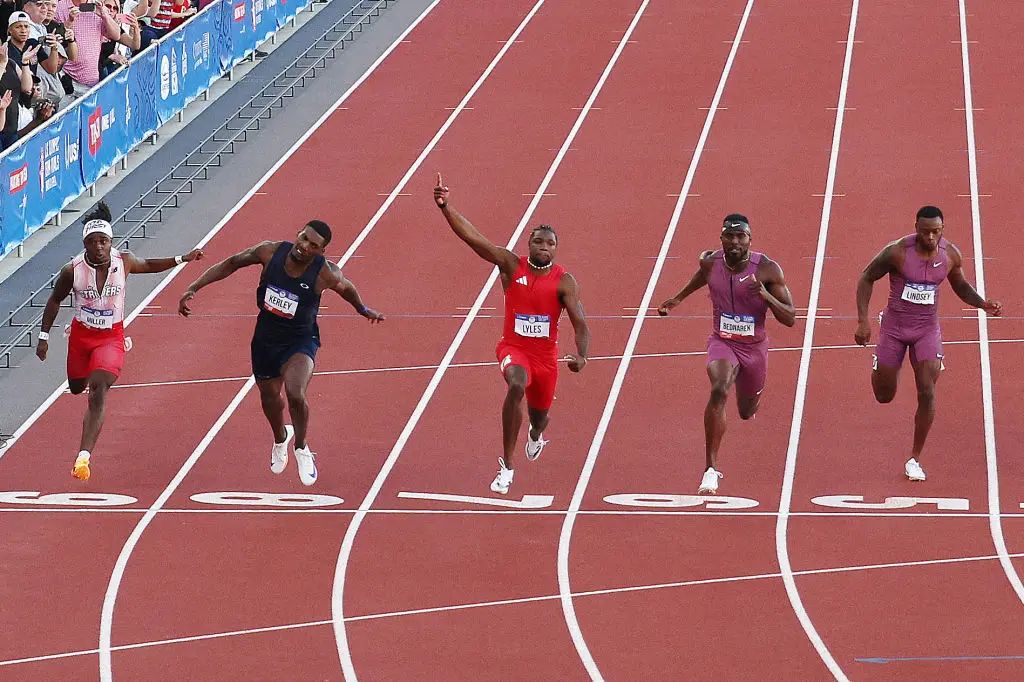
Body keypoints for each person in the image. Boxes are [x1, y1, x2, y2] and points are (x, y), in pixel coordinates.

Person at [178, 221, 384, 486]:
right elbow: (231, 263)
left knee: (296, 393)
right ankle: (280, 438)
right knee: (269, 398)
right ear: (298, 233)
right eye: (303, 238)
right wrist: (194, 286)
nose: (304, 246)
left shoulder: (326, 274)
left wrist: (363, 309)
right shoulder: (269, 252)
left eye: (313, 245)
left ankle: (301, 446)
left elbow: (347, 289)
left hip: (300, 340)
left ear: (321, 252)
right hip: (266, 339)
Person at [434, 173, 590, 494]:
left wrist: (582, 354)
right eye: (538, 241)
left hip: (545, 359)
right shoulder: (509, 264)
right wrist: (446, 208)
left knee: (540, 416)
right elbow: (475, 239)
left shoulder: (564, 281)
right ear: (528, 244)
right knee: (516, 384)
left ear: (557, 249)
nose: (544, 247)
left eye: (550, 243)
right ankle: (507, 465)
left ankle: (535, 433)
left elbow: (580, 321)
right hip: (513, 349)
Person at [36, 201, 204, 480]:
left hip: (111, 336)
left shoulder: (123, 261)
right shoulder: (72, 271)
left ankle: (83, 457)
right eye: (94, 242)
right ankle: (84, 379)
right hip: (81, 335)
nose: (100, 246)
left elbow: (149, 264)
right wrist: (43, 337)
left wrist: (181, 259)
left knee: (99, 389)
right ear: (85, 245)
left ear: (111, 242)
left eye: (104, 241)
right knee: (77, 387)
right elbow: (54, 300)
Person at [855, 205, 1002, 481]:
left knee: (927, 389)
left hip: (926, 329)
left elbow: (959, 285)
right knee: (884, 395)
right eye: (925, 232)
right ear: (916, 228)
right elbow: (866, 277)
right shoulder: (897, 252)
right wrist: (863, 321)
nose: (931, 237)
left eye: (936, 232)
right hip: (895, 327)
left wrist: (983, 304)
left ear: (942, 229)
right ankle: (884, 365)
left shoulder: (950, 256)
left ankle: (914, 459)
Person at [658, 214, 796, 494]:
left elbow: (791, 317)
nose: (735, 242)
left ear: (749, 239)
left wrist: (766, 296)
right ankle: (710, 469)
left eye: (741, 237)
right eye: (729, 237)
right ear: (721, 239)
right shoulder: (710, 261)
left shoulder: (768, 269)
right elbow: (703, 276)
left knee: (746, 411)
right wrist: (678, 298)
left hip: (754, 348)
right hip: (722, 341)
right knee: (719, 389)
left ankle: (751, 401)